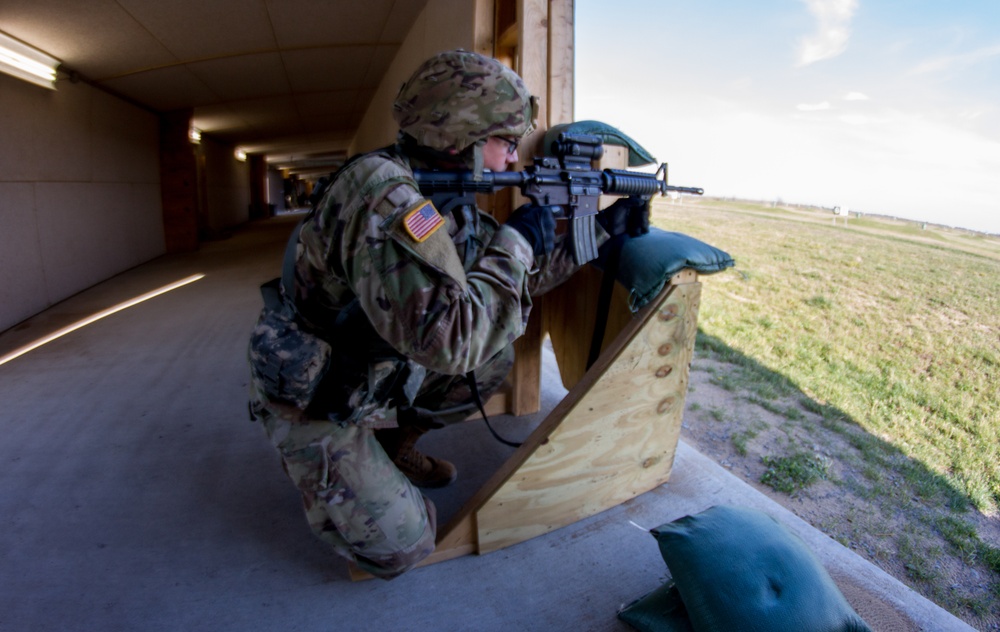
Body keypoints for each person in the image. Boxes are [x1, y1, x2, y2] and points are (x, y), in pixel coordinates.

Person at [247, 49, 599, 578]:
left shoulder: (437, 194)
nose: (510, 161)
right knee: (403, 548)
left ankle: (387, 448)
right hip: (315, 390)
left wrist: (606, 231)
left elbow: (499, 287)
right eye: (504, 142)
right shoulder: (385, 196)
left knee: (490, 365)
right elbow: (450, 341)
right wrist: (517, 241)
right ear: (461, 136)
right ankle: (324, 462)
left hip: (368, 360)